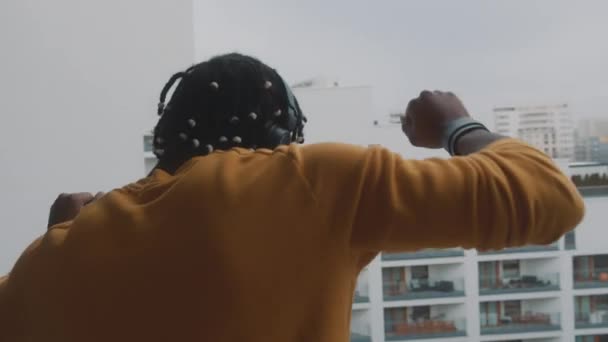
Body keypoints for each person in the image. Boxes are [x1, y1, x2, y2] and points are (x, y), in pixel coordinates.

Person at [0, 53, 584, 342]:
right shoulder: (305, 181)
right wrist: (456, 123)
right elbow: (545, 197)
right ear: (283, 138)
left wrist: (55, 242)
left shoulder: (54, 257)